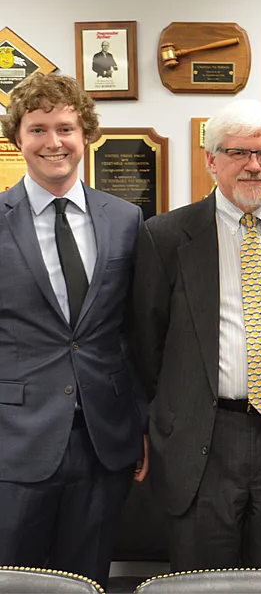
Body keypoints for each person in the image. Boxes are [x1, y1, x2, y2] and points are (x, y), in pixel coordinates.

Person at [132, 99, 261, 572]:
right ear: (210, 159)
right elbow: (145, 342)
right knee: (204, 578)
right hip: (204, 437)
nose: (254, 166)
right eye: (238, 153)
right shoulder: (166, 236)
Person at [0, 73, 147, 588]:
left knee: (88, 579)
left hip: (102, 443)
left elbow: (133, 331)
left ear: (86, 134)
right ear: (17, 138)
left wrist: (140, 424)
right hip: (14, 442)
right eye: (37, 129)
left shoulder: (126, 219)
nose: (53, 142)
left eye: (65, 127)